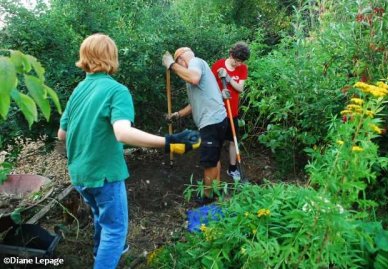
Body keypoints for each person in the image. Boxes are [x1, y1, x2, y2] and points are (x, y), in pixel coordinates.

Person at [57, 34, 200, 269]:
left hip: (79, 174)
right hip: (105, 174)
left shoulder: (78, 91)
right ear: (111, 57)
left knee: (100, 217)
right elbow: (122, 133)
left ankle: (99, 253)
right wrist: (169, 141)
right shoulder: (116, 90)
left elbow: (62, 135)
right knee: (115, 231)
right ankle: (106, 257)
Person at [162, 47, 229, 202]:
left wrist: (171, 65)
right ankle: (216, 191)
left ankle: (207, 196)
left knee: (208, 162)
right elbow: (194, 104)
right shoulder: (196, 74)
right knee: (214, 159)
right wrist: (177, 114)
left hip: (211, 122)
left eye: (178, 62)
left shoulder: (195, 62)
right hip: (216, 120)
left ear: (181, 59)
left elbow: (193, 78)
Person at [211, 41, 250, 180]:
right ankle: (215, 169)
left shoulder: (242, 68)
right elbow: (209, 89)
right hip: (218, 113)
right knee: (217, 142)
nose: (239, 64)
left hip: (233, 112)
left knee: (233, 140)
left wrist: (228, 79)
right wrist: (220, 94)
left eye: (241, 61)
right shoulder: (218, 65)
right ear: (231, 54)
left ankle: (232, 169)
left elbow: (240, 89)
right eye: (237, 61)